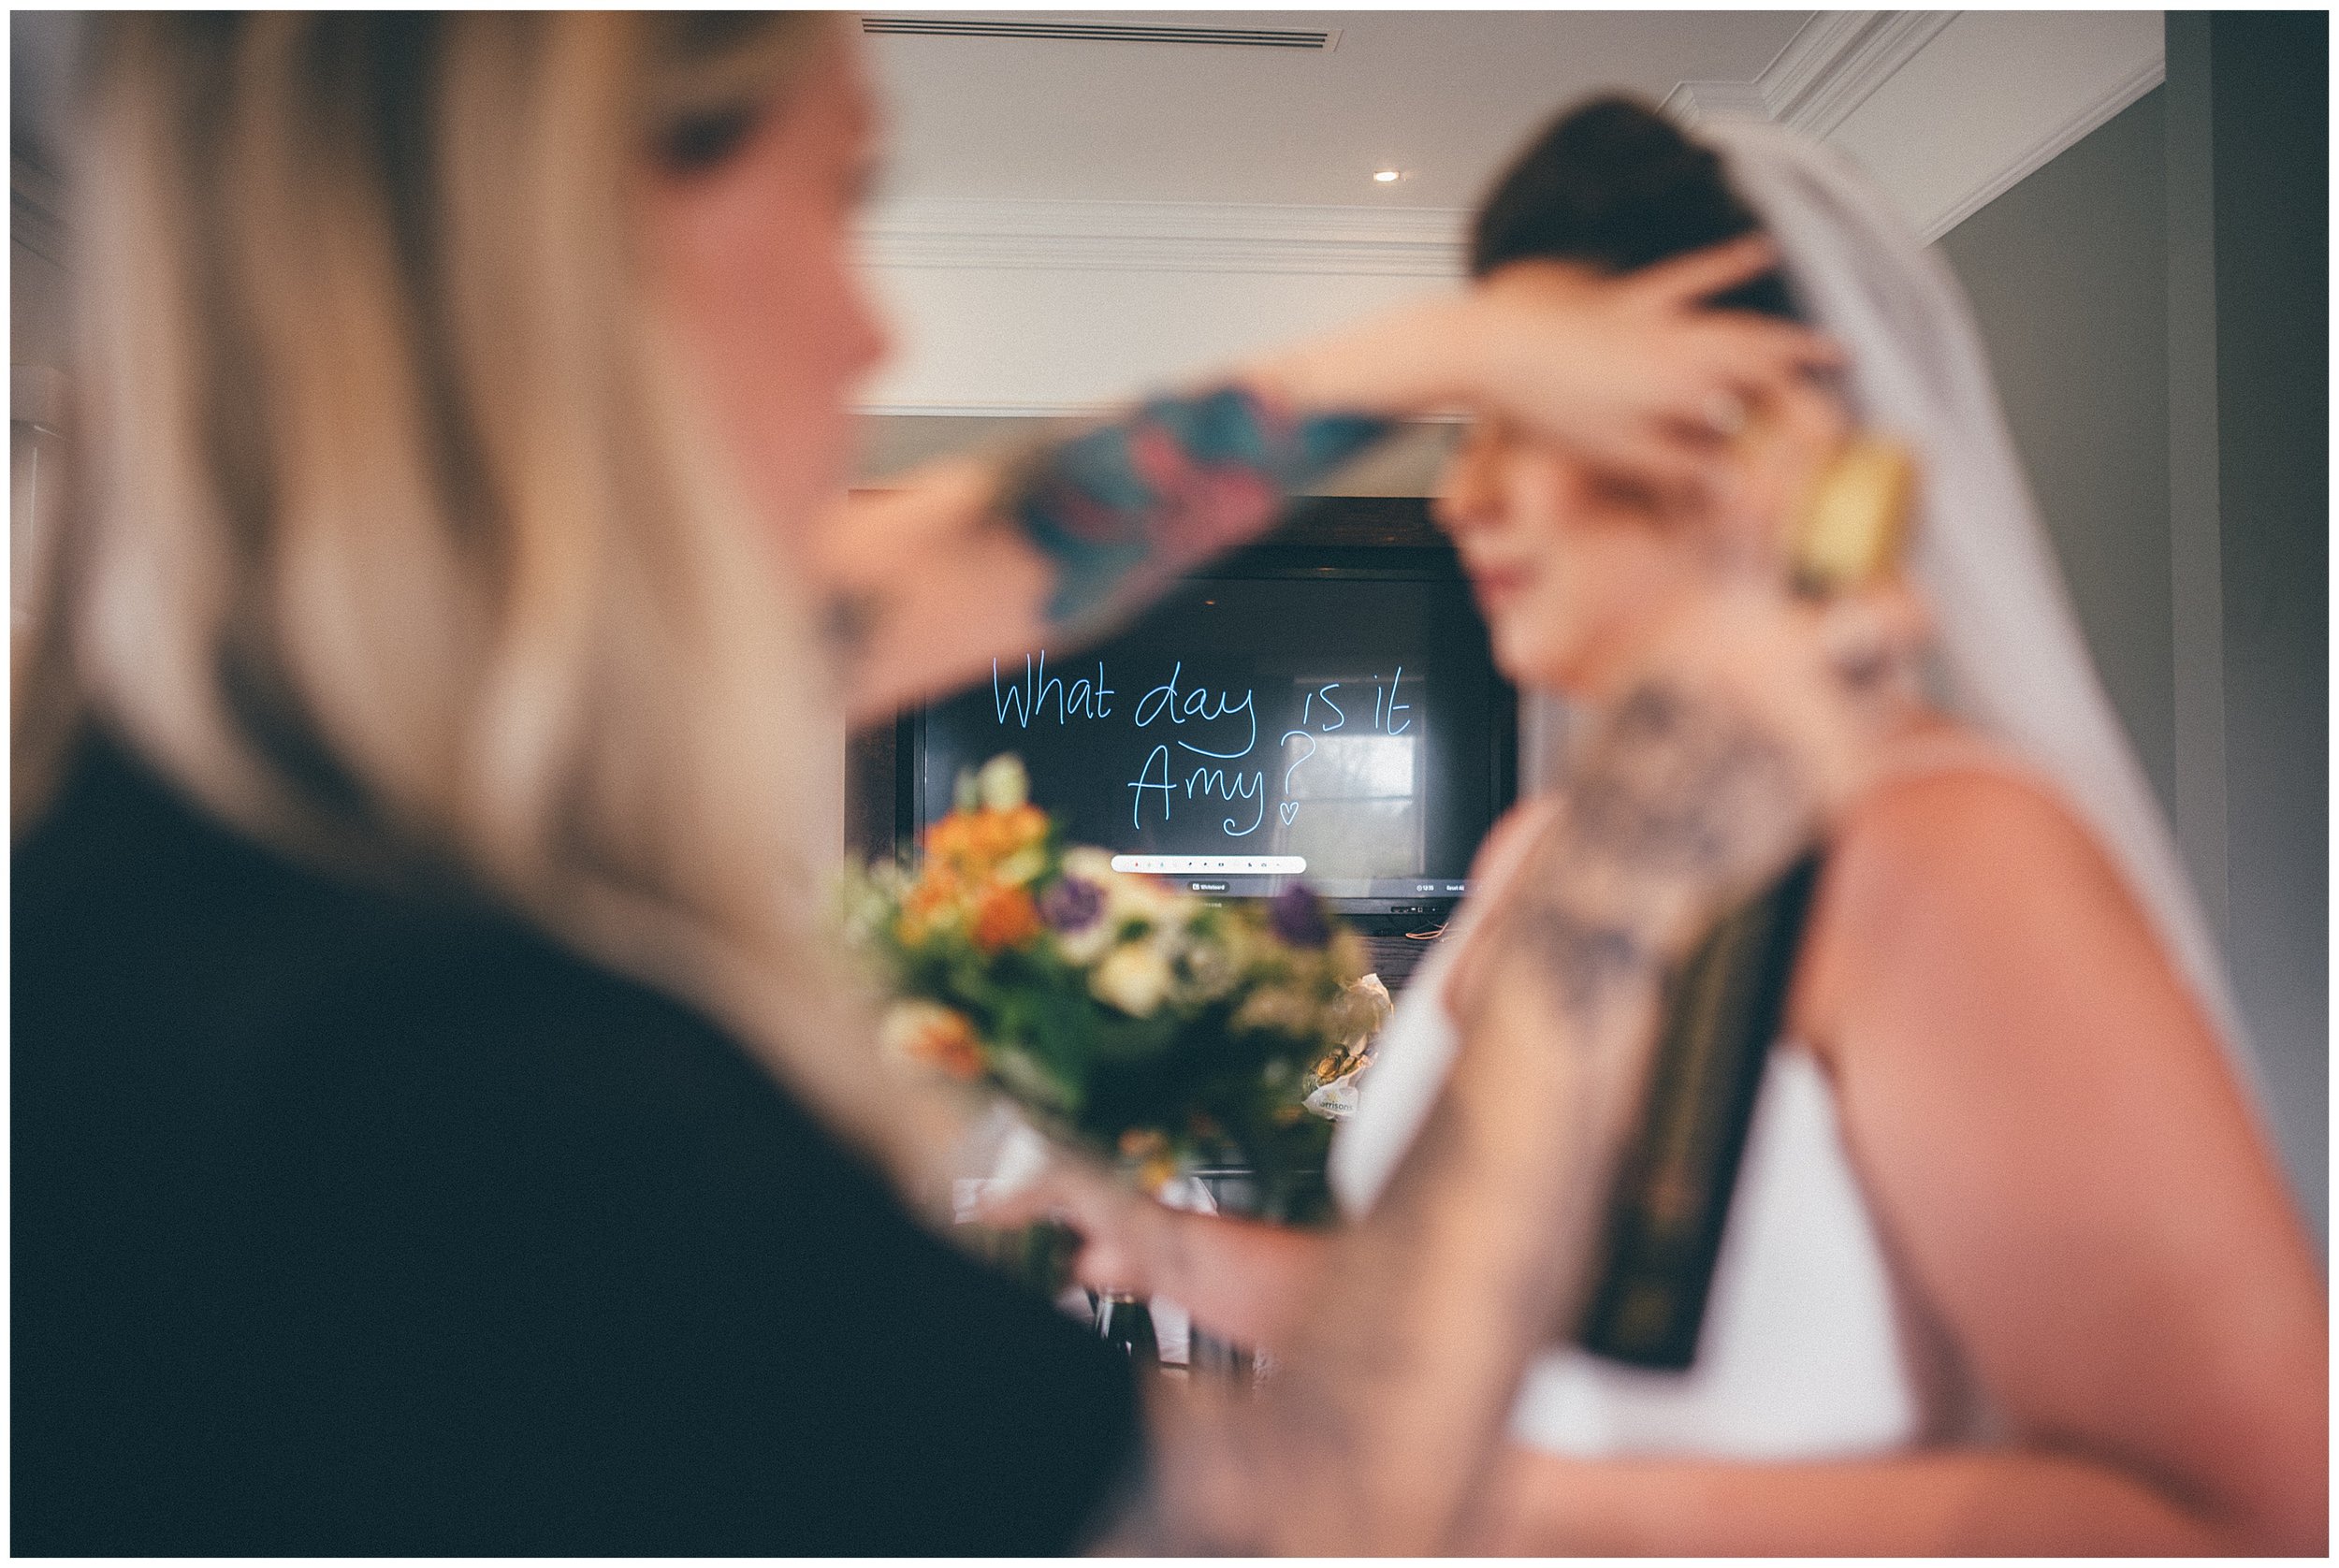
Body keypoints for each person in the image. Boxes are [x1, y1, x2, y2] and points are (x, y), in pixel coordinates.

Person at [10, 18, 1837, 1555]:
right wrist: (1632, 854)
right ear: (564, 252)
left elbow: (985, 557)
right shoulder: (449, 1079)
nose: (875, 338)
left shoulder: (193, 785)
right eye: (842, 198)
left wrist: (1436, 356)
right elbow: (1319, 1494)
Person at [993, 98, 2327, 1555]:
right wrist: (1162, 1247)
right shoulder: (1540, 864)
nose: (1464, 495)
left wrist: (1478, 1508)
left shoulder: (1936, 856)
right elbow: (1498, 1315)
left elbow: (2253, 1516)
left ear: (1750, 429)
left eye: (1525, 421)